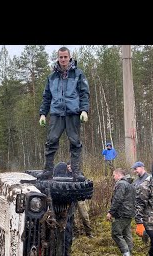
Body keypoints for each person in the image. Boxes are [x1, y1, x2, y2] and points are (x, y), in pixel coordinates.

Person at [38, 47, 90, 182]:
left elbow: (84, 93)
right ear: (58, 58)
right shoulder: (51, 77)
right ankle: (48, 171)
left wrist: (84, 110)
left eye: (65, 57)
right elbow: (46, 97)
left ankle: (76, 172)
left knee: (75, 142)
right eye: (60, 57)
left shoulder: (78, 74)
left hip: (73, 112)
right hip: (56, 113)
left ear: (69, 57)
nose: (63, 60)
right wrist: (43, 113)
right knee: (51, 141)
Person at [106, 168, 136, 256]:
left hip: (122, 213)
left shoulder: (121, 184)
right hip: (129, 213)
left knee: (115, 233)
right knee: (126, 233)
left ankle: (126, 253)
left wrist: (111, 212)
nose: (113, 177)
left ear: (119, 175)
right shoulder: (130, 184)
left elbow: (117, 199)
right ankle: (129, 252)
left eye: (114, 175)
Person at [67, 162, 93, 238]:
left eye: (70, 167)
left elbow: (84, 184)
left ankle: (89, 233)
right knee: (72, 217)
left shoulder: (79, 174)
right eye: (68, 167)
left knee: (84, 215)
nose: (69, 168)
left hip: (80, 197)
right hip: (71, 198)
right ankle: (75, 233)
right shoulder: (66, 176)